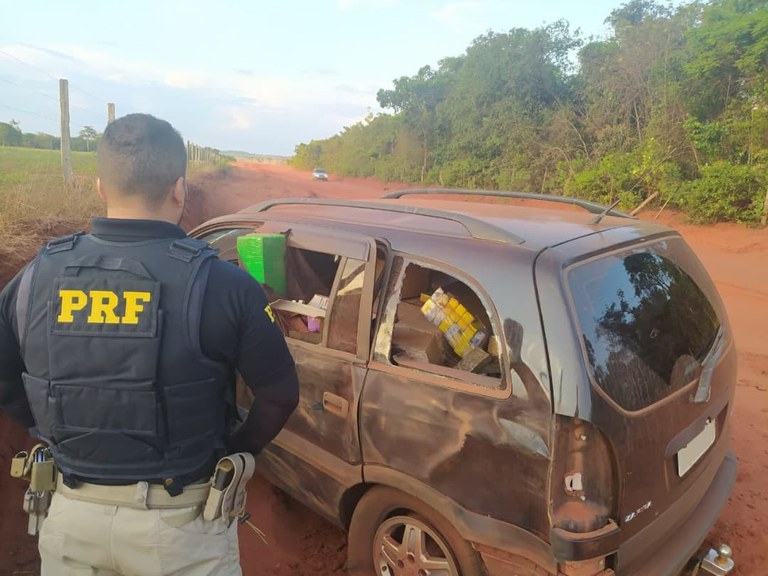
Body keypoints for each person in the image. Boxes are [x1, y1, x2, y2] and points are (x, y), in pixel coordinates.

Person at [0, 113, 299, 575]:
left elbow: (4, 378)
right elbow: (279, 394)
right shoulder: (226, 284)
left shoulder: (34, 277)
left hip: (69, 520)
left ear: (100, 186)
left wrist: (51, 430)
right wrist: (235, 451)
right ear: (180, 188)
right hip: (183, 528)